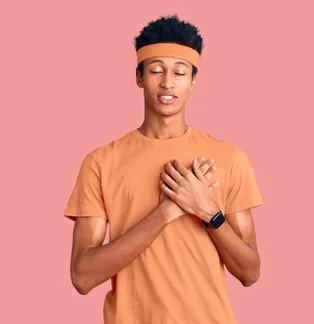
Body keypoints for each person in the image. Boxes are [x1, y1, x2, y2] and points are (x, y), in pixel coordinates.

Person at [63, 15, 264, 324]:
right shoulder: (100, 162)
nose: (168, 82)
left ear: (193, 80)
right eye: (156, 70)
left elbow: (250, 272)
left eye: (179, 72)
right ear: (139, 77)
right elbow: (82, 276)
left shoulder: (229, 157)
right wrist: (167, 212)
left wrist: (208, 211)